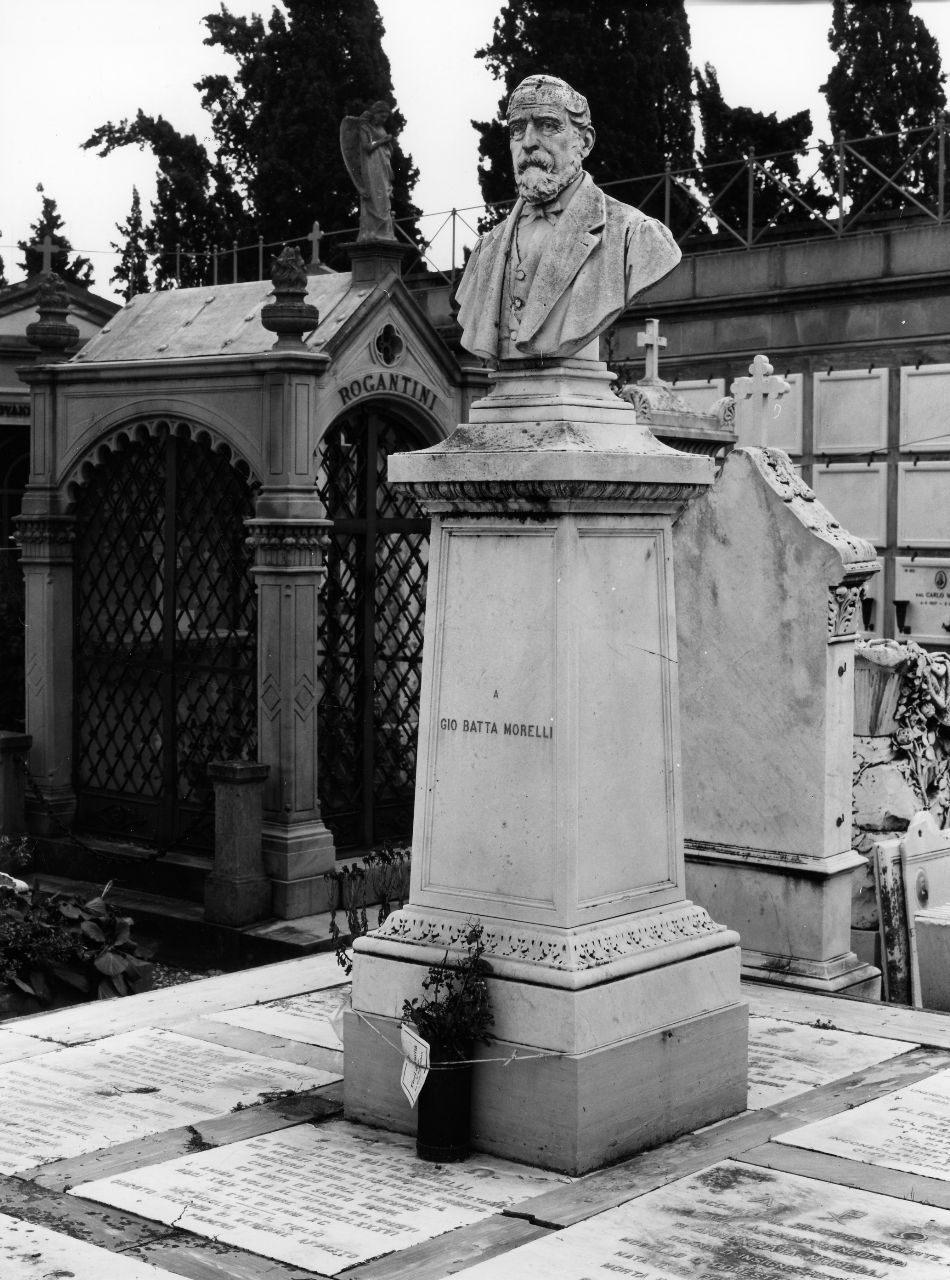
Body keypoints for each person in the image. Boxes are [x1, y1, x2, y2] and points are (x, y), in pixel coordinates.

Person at [456, 74, 681, 362]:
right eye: (517, 129)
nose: (528, 143)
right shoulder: (486, 249)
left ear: (584, 142)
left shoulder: (634, 235)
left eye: (547, 126)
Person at [340, 101, 396, 241]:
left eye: (386, 118)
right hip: (371, 166)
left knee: (383, 198)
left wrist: (388, 143)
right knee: (374, 197)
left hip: (383, 166)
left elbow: (388, 150)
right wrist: (384, 141)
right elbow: (367, 147)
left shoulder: (381, 128)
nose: (383, 120)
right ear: (374, 113)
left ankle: (384, 232)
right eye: (382, 116)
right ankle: (372, 231)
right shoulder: (365, 127)